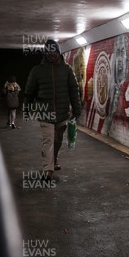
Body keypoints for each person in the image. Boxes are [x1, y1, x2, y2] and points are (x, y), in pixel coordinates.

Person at [25, 39, 81, 180]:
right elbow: (29, 92)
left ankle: (54, 159)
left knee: (57, 140)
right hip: (45, 113)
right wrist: (27, 108)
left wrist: (77, 109)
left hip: (62, 114)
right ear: (45, 53)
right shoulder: (37, 71)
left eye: (54, 52)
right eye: (48, 52)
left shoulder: (67, 69)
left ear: (58, 52)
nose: (51, 55)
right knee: (48, 140)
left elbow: (74, 90)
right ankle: (47, 169)